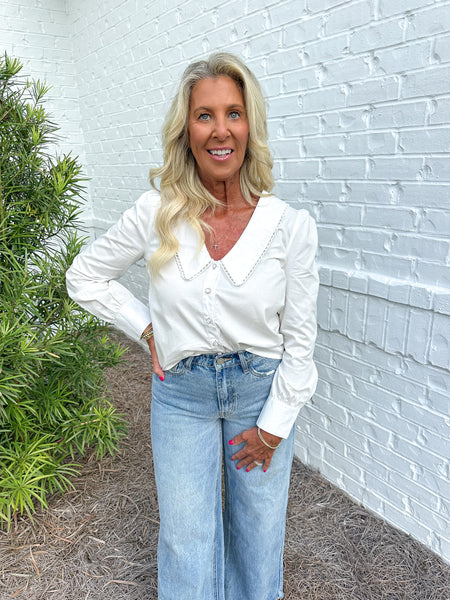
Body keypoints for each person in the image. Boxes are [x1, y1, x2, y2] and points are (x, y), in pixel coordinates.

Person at [66, 52, 319, 600]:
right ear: (186, 131)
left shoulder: (289, 227)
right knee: (186, 538)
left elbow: (300, 345)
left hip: (260, 391)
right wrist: (147, 329)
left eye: (234, 112)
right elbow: (84, 277)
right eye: (204, 116)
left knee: (257, 532)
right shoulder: (155, 213)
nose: (220, 129)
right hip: (180, 394)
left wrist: (273, 425)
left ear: (250, 125)